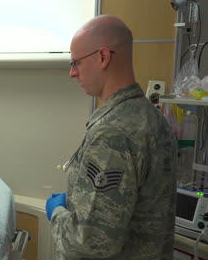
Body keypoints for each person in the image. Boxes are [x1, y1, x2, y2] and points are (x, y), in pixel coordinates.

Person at [45, 15, 177, 259]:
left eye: (76, 63)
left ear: (103, 57)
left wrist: (58, 212)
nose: (72, 73)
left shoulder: (113, 132)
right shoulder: (152, 117)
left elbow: (88, 244)